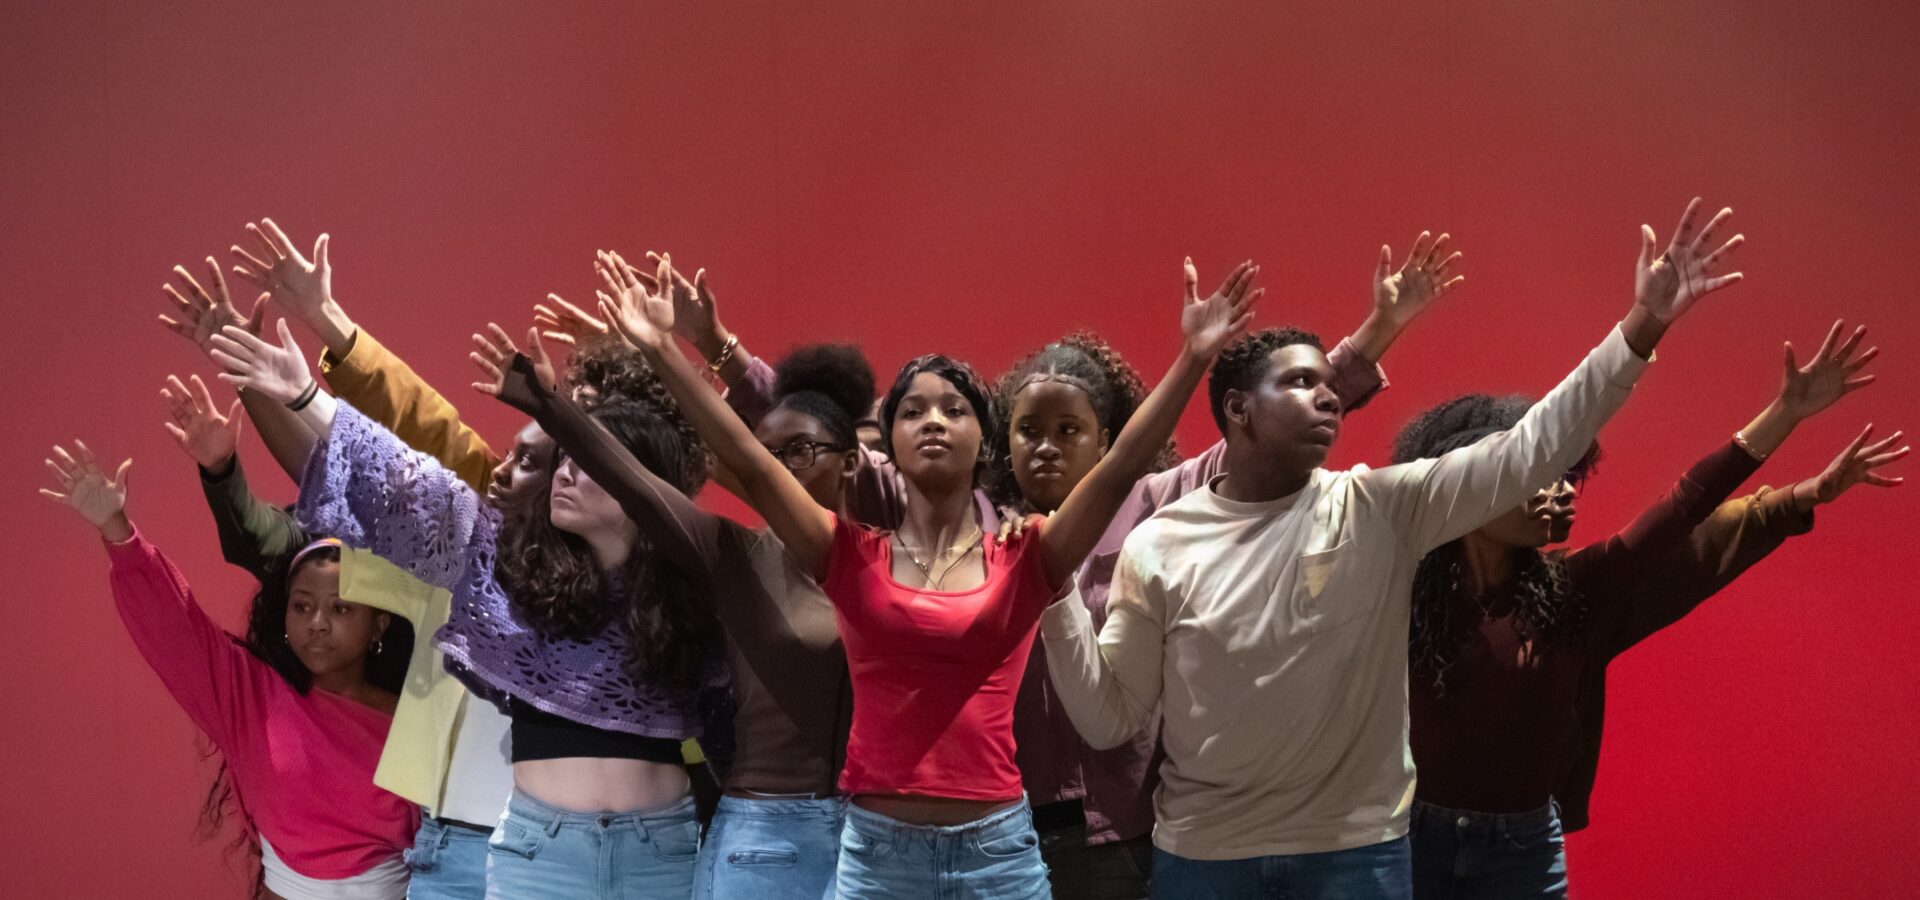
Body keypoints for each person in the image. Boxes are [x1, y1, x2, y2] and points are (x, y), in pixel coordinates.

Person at [1041, 198, 1746, 898]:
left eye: (1328, 384)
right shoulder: (1162, 541)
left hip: (1353, 857)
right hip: (1203, 860)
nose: (1325, 397)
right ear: (1238, 410)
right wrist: (1055, 589)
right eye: (1299, 382)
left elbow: (1532, 451)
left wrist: (1643, 323)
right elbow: (1110, 719)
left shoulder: (1379, 506)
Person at [599, 249, 1259, 898]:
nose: (934, 421)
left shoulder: (1028, 554)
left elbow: (1121, 469)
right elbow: (752, 458)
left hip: (999, 852)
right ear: (885, 444)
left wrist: (1194, 358)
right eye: (912, 411)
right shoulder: (848, 554)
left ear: (984, 437)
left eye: (955, 409)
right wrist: (663, 349)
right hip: (878, 854)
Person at [980, 233, 1455, 898]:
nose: (1048, 448)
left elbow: (1280, 420)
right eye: (1029, 430)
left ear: (1106, 438)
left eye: (1069, 431)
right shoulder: (981, 531)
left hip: (1135, 829)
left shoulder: (1157, 504)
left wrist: (1379, 328)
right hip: (1011, 832)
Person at [208, 312, 724, 899]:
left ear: (644, 484)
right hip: (531, 854)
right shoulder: (502, 563)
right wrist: (305, 395)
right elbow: (407, 483)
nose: (564, 475)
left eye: (585, 461)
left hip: (660, 853)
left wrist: (696, 350)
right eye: (561, 459)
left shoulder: (698, 587)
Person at [1399, 322, 1904, 899]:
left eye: (1567, 476)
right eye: (1540, 475)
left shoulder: (1573, 593)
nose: (1563, 491)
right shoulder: (1402, 593)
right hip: (1409, 845)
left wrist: (1786, 415)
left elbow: (1684, 511)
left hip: (1521, 854)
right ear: (1474, 484)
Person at [472, 335, 873, 899]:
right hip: (762, 834)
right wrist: (552, 407)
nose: (778, 471)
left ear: (853, 461)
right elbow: (636, 486)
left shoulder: (888, 563)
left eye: (800, 452)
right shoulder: (735, 555)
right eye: (765, 456)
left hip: (881, 831)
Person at [41, 441, 416, 899]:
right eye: (302, 606)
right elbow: (175, 631)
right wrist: (118, 531)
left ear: (378, 623)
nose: (316, 624)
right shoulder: (252, 696)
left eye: (339, 609)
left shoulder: (415, 722)